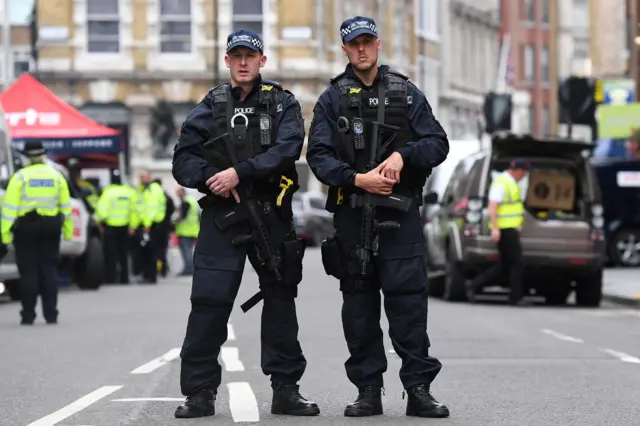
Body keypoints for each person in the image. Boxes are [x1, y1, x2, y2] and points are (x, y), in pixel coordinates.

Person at [307, 16, 450, 418]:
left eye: (368, 42)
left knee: (408, 305)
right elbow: (318, 156)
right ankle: (368, 389)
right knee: (359, 306)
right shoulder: (332, 98)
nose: (362, 49)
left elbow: (437, 142)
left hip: (400, 215)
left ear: (378, 44)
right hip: (354, 215)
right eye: (354, 44)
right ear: (346, 50)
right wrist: (358, 179)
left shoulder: (405, 93)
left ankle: (418, 389)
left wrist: (403, 156)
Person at [171, 29, 318, 419]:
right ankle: (200, 392)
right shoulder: (210, 106)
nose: (242, 62)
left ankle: (286, 389)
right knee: (208, 302)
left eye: (249, 56)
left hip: (271, 212)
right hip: (224, 215)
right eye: (235, 55)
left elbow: (289, 149)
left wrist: (240, 172)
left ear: (262, 61)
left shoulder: (282, 103)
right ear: (226, 61)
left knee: (281, 301)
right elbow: (182, 161)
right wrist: (211, 179)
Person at [1, 141, 72, 325]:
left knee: (29, 271)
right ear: (42, 155)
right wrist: (68, 232)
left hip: (27, 227)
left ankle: (28, 314)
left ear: (27, 157)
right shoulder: (56, 176)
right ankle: (51, 314)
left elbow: (9, 208)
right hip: (51, 226)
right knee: (49, 270)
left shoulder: (20, 177)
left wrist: (5, 234)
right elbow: (66, 207)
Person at [467, 159, 529, 305]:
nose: (524, 176)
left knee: (506, 265)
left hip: (509, 229)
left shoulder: (510, 183)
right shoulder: (502, 183)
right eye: (524, 173)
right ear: (518, 170)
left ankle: (474, 285)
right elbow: (492, 206)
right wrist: (495, 228)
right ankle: (516, 297)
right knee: (517, 263)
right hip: (504, 229)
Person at [95, 169, 135, 284]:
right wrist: (132, 226)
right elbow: (134, 211)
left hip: (111, 227)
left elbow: (102, 210)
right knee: (123, 253)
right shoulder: (129, 192)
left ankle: (111, 277)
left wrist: (99, 222)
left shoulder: (108, 192)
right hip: (125, 227)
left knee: (111, 253)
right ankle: (125, 278)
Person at [132, 169, 166, 284]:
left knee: (151, 251)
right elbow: (138, 208)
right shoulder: (141, 190)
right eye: (140, 176)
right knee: (144, 251)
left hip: (153, 225)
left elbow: (151, 208)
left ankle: (151, 276)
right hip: (145, 224)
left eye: (143, 176)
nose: (141, 179)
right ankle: (146, 275)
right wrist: (134, 225)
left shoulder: (153, 189)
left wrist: (147, 224)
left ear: (149, 177)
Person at [174, 187, 200, 275]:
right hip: (192, 230)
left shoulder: (186, 201)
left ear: (183, 192)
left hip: (186, 231)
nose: (176, 193)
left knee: (186, 251)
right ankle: (189, 268)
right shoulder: (192, 200)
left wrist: (174, 220)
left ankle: (189, 269)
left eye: (178, 191)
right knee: (188, 250)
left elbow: (182, 216)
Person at [154, 177, 175, 277]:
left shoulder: (153, 195)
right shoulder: (167, 196)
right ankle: (164, 269)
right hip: (166, 225)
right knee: (163, 248)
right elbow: (172, 209)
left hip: (157, 225)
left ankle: (158, 268)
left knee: (156, 248)